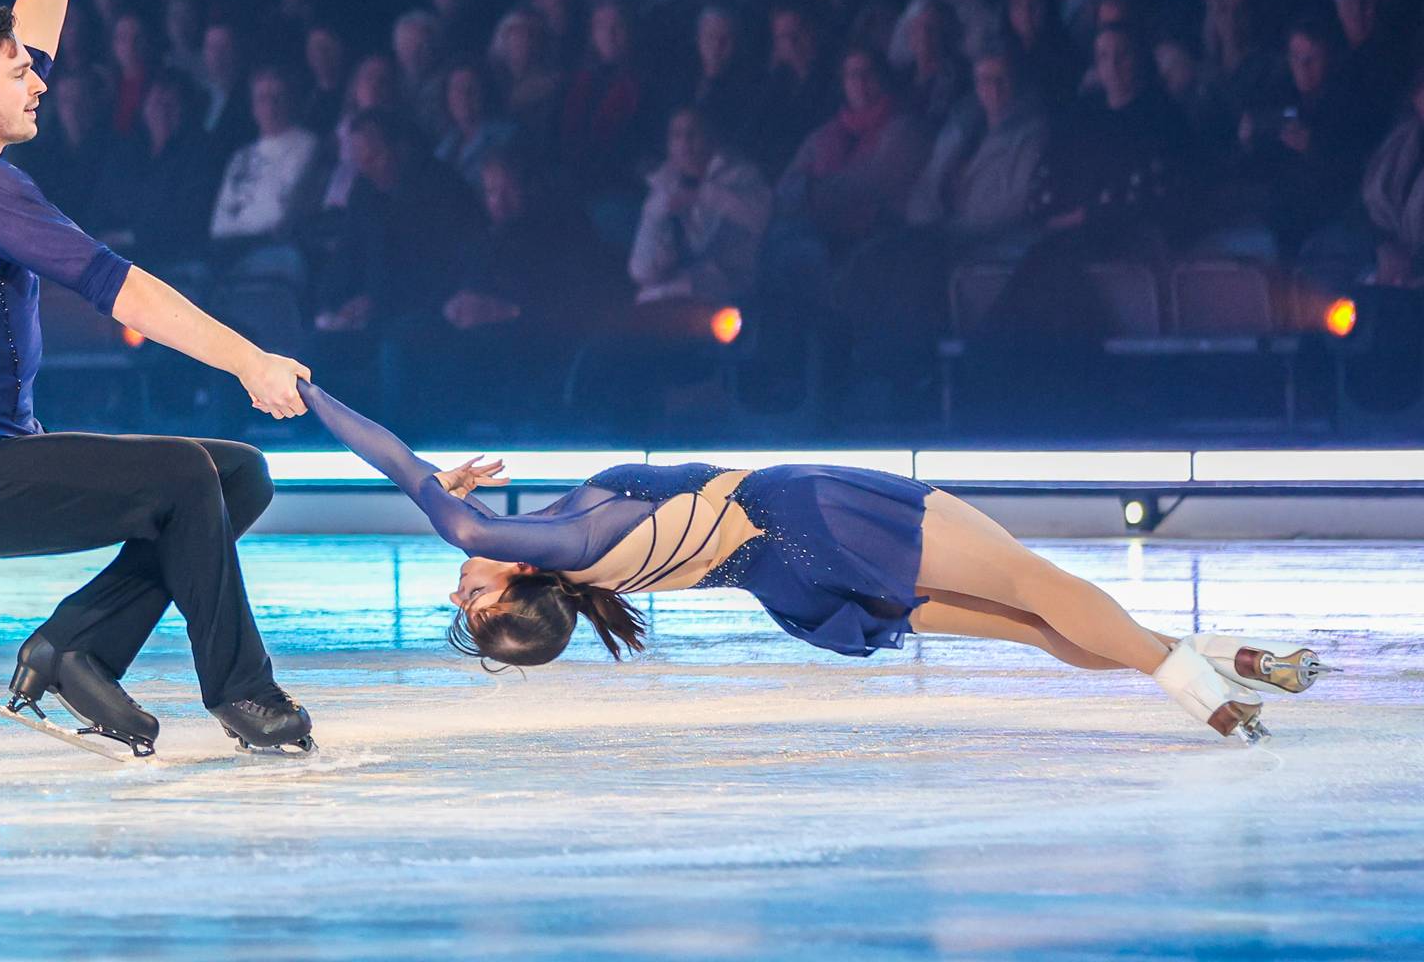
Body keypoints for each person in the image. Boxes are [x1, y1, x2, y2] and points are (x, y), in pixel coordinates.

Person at [0, 0, 315, 760]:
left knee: (237, 472)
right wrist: (249, 359)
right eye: (19, 75)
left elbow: (30, 30)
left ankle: (74, 647)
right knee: (182, 477)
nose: (41, 78)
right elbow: (122, 289)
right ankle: (244, 694)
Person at [299, 380, 1328, 745]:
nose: (460, 577)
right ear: (515, 579)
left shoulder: (579, 562)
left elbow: (457, 504)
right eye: (473, 588)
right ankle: (1205, 692)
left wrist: (459, 490)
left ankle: (1221, 655)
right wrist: (304, 389)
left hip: (790, 584)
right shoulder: (549, 544)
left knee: (1032, 628)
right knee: (1040, 588)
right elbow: (409, 476)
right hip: (808, 512)